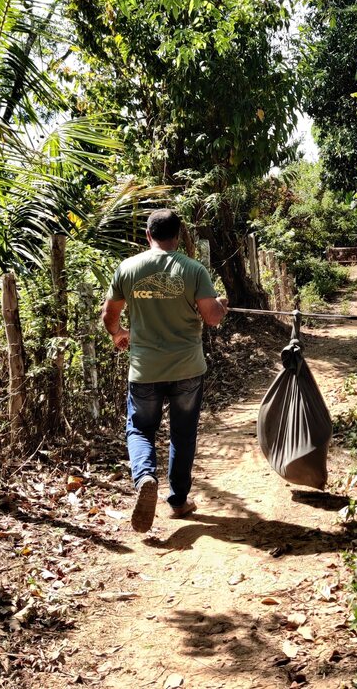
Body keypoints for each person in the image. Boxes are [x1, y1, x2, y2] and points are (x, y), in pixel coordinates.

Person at [102, 209, 228, 533]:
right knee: (182, 434)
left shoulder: (128, 269)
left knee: (141, 429)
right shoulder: (194, 269)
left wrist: (119, 334)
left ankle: (145, 477)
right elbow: (212, 317)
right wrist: (221, 306)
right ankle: (178, 501)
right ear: (178, 235)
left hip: (144, 369)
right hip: (187, 368)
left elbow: (108, 315)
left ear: (148, 235)